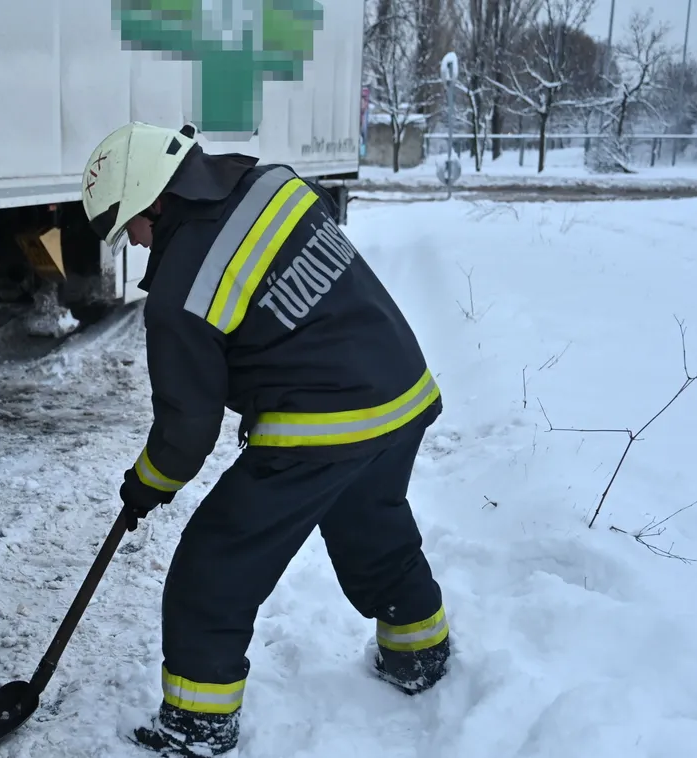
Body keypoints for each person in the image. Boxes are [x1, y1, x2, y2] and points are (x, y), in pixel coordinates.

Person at [81, 122, 452, 757]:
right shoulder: (271, 183)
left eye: (130, 227)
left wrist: (146, 484)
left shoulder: (180, 295)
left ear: (153, 200)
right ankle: (420, 653)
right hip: (401, 390)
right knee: (373, 528)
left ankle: (197, 724)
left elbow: (186, 428)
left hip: (320, 426)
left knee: (213, 568)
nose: (136, 244)